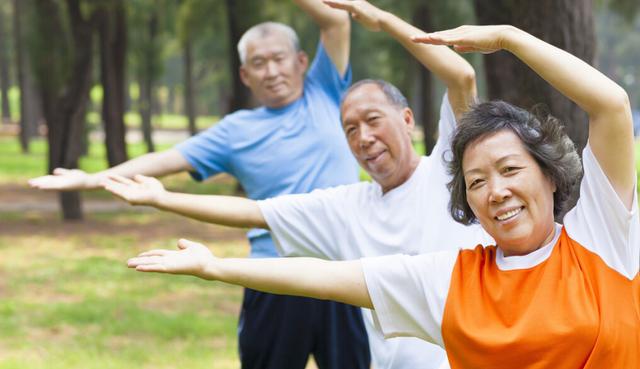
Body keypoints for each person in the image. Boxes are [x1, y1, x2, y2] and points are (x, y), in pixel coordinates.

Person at [127, 24, 639, 369]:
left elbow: (612, 106)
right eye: (477, 181)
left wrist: (508, 39)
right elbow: (324, 276)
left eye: (510, 170)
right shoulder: (452, 281)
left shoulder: (599, 233)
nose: (496, 191)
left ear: (549, 176)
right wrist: (214, 266)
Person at [103, 2, 491, 368]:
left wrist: (383, 19)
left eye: (373, 120)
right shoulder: (348, 207)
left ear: (407, 119)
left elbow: (461, 75)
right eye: (350, 130)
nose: (364, 137)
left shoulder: (448, 167)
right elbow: (255, 212)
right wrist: (163, 198)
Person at [29, 2, 371, 368]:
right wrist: (94, 178)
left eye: (279, 59)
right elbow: (163, 161)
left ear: (301, 62)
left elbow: (336, 19)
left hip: (342, 271)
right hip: (274, 276)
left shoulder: (327, 90)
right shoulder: (235, 131)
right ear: (244, 75)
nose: (271, 71)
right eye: (259, 63)